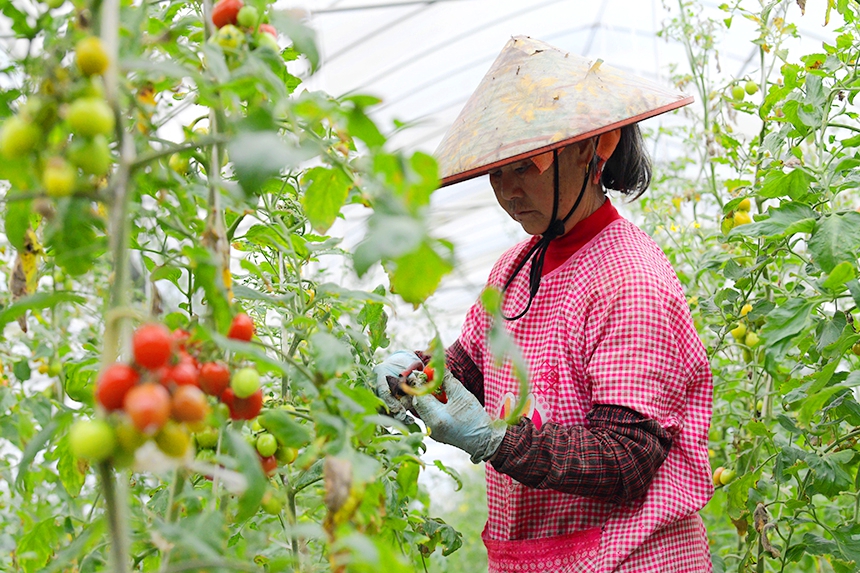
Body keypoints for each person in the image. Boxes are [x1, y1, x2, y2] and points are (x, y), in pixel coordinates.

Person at [373, 36, 713, 572]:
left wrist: (497, 439)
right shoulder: (515, 268)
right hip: (543, 556)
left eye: (524, 165)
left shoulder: (631, 280)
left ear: (592, 148)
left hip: (630, 558)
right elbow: (473, 365)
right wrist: (413, 377)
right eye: (496, 171)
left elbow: (628, 456)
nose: (508, 190)